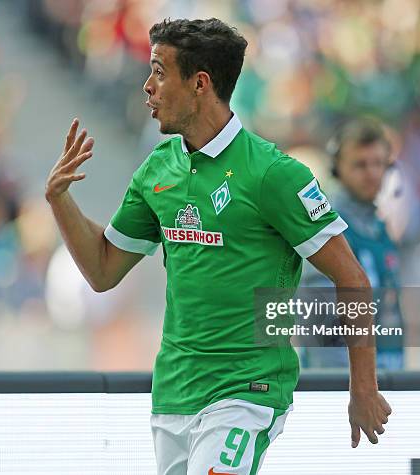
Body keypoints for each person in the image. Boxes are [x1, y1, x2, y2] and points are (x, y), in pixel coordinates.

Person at [45, 18, 391, 475]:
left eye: (160, 72)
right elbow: (103, 271)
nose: (147, 87)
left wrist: (362, 388)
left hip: (247, 391)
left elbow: (352, 279)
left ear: (200, 84)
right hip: (174, 392)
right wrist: (59, 199)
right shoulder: (156, 170)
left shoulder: (273, 173)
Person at [301, 118, 405, 370]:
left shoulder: (379, 228)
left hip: (386, 376)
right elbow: (322, 328)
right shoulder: (327, 227)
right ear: (337, 168)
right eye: (360, 164)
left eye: (378, 163)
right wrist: (343, 386)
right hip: (348, 387)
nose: (371, 173)